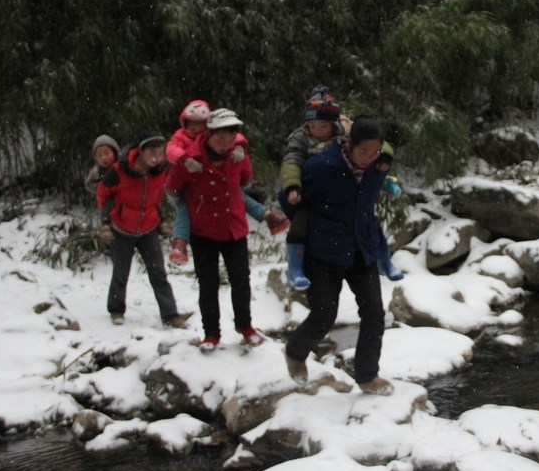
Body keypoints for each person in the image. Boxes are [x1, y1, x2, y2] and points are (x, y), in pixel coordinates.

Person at [283, 116, 395, 395]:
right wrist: (317, 225)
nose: (369, 158)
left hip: (361, 250)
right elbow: (289, 200)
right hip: (324, 253)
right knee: (324, 315)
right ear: (349, 143)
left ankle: (367, 376)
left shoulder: (377, 167)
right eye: (363, 152)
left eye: (375, 152)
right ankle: (295, 353)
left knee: (374, 313)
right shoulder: (321, 167)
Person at [278, 85, 403, 290]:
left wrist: (385, 156)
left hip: (345, 182)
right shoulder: (300, 138)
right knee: (301, 223)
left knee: (367, 220)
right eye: (313, 126)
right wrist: (293, 186)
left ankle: (385, 260)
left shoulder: (346, 131)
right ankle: (295, 267)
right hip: (311, 190)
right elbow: (291, 162)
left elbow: (375, 142)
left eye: (323, 126)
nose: (318, 132)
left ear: (334, 123)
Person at [167, 108, 263, 351]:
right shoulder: (190, 158)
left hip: (234, 228)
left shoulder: (238, 156)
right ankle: (211, 333)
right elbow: (174, 188)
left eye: (230, 138)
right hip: (204, 231)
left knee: (241, 280)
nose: (225, 143)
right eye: (220, 138)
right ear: (208, 134)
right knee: (208, 284)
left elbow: (245, 179)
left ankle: (245, 326)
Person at [167, 99, 289, 265]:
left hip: (229, 209)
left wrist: (240, 148)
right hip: (192, 180)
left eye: (200, 124)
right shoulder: (181, 138)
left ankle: (268, 216)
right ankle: (180, 241)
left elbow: (237, 139)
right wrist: (185, 159)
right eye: (192, 124)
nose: (196, 128)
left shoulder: (224, 139)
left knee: (237, 195)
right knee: (184, 206)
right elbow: (171, 151)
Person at [95, 134, 191, 328]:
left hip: (148, 230)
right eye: (152, 153)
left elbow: (157, 197)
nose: (157, 157)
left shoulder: (160, 171)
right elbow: (103, 195)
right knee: (121, 273)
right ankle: (116, 309)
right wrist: (106, 221)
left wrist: (160, 220)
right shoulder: (119, 171)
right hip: (122, 229)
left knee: (158, 273)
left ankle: (170, 314)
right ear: (141, 152)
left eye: (160, 153)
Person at [84, 134, 121, 245]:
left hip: (123, 199)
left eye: (107, 153)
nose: (104, 158)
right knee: (107, 206)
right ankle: (105, 226)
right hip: (106, 200)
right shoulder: (97, 171)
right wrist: (100, 187)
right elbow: (88, 183)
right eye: (100, 155)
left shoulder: (121, 166)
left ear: (114, 153)